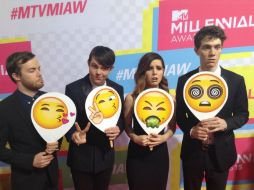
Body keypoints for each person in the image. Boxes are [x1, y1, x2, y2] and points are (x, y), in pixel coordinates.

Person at [176, 25, 249, 190]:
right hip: (192, 152)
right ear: (196, 50)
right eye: (207, 47)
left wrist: (226, 123)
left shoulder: (236, 80)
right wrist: (191, 130)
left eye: (217, 47)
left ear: (221, 49)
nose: (212, 53)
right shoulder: (185, 80)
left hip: (221, 153)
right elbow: (180, 115)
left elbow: (242, 114)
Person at [65, 46, 124, 190]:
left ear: (111, 69)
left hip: (105, 156)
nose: (98, 72)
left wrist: (118, 129)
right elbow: (67, 120)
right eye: (94, 66)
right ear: (88, 63)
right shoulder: (73, 89)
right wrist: (73, 134)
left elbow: (120, 118)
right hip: (81, 157)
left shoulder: (117, 89)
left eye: (104, 68)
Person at [0, 52, 60, 190]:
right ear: (16, 76)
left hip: (52, 177)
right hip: (26, 181)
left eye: (39, 68)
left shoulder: (51, 100)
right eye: (32, 70)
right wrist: (30, 160)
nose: (39, 73)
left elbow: (57, 132)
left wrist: (55, 143)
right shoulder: (4, 108)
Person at [124, 52, 176, 190]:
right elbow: (127, 126)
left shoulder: (170, 99)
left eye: (159, 68)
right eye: (149, 68)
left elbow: (172, 127)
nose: (154, 73)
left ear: (163, 71)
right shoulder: (132, 98)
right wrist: (135, 138)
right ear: (143, 72)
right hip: (137, 155)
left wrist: (163, 137)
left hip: (159, 155)